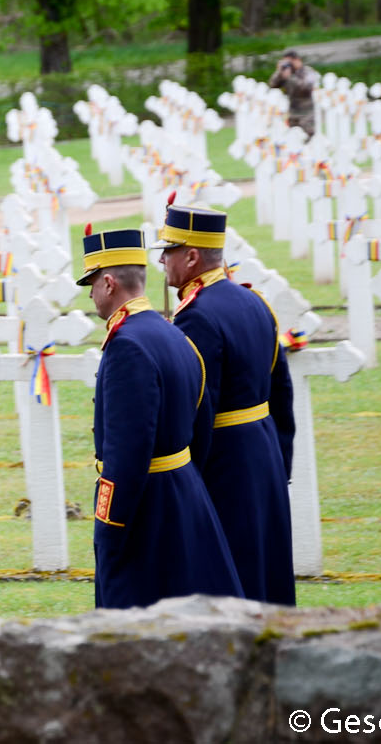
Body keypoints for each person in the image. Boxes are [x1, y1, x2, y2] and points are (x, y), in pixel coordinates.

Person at [77, 226, 243, 609]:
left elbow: (126, 453)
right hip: (184, 492)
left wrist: (110, 527)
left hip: (146, 512)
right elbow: (201, 425)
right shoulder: (172, 334)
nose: (89, 295)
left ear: (108, 283)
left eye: (91, 284)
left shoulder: (126, 347)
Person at [153, 204, 297, 605]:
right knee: (266, 565)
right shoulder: (255, 303)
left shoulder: (196, 316)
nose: (162, 259)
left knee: (230, 571)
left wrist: (188, 479)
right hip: (264, 452)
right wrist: (279, 459)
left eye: (170, 250)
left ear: (193, 256)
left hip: (225, 460)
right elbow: (280, 392)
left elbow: (197, 408)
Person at [268, 49, 320, 137]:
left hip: (306, 114)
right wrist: (279, 72)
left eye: (289, 62)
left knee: (307, 139)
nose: (288, 65)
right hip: (292, 114)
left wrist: (290, 77)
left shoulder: (308, 72)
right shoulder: (286, 73)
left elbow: (306, 88)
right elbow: (272, 84)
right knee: (293, 140)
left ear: (296, 60)